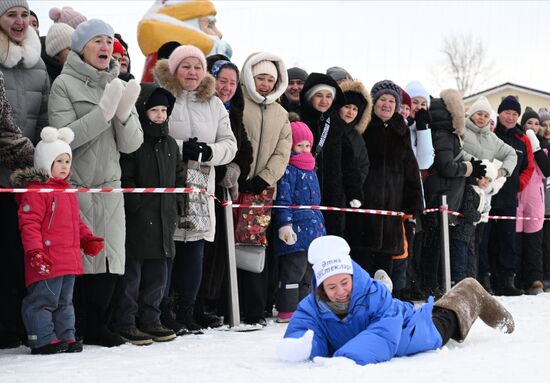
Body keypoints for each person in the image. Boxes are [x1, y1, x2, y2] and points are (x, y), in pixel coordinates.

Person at [48, 18, 144, 347]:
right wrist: (102, 113)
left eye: (108, 41)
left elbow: (132, 145)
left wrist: (122, 113)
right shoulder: (63, 85)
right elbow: (63, 139)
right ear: (80, 47)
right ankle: (78, 324)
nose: (106, 47)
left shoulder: (115, 82)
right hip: (77, 185)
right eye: (97, 41)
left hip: (110, 187)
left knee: (109, 258)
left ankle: (100, 324)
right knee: (80, 259)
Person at [277, 236, 515, 366]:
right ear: (320, 288)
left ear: (353, 277)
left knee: (445, 317)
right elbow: (305, 331)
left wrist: (345, 359)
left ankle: (470, 291)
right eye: (331, 287)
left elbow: (382, 336)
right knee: (395, 304)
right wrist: (302, 346)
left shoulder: (370, 294)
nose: (340, 291)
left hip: (412, 331)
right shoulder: (311, 306)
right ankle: (389, 287)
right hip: (392, 312)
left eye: (345, 283)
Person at [154, 45, 237, 331]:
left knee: (195, 249)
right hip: (168, 181)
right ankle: (163, 310)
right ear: (175, 69)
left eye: (197, 67)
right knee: (168, 249)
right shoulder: (163, 95)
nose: (192, 72)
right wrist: (180, 148)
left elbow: (230, 144)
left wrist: (207, 151)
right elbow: (150, 134)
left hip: (201, 185)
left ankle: (187, 309)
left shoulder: (213, 103)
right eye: (186, 66)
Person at [11, 127, 104, 354]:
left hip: (68, 260)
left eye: (67, 161)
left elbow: (75, 222)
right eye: (59, 161)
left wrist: (87, 238)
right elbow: (29, 225)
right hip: (46, 260)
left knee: (65, 302)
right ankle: (41, 338)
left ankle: (66, 336)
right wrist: (35, 252)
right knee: (43, 300)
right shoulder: (36, 191)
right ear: (45, 162)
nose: (64, 166)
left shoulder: (67, 191)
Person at [111, 83, 183, 345]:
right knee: (133, 274)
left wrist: (178, 207)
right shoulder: (135, 141)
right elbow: (126, 177)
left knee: (158, 275)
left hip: (165, 218)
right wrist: (136, 205)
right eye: (155, 110)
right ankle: (127, 321)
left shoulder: (171, 144)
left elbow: (179, 176)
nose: (160, 115)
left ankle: (151, 319)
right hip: (140, 219)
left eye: (164, 110)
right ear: (143, 110)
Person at [0, 0, 50, 349]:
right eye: (10, 14)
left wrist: (47, 156)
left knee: (23, 251)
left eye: (23, 14)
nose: (19, 21)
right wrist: (28, 154)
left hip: (29, 178)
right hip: (5, 174)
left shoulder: (38, 65)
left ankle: (18, 325)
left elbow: (47, 121)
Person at [192, 54, 253, 329]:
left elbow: (244, 148)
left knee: (216, 249)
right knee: (197, 245)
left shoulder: (235, 112)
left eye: (232, 82)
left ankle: (207, 302)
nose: (227, 87)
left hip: (222, 188)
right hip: (199, 182)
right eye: (222, 80)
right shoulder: (200, 105)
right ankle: (190, 304)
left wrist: (237, 168)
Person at [347, 80, 423, 278]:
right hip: (363, 212)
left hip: (391, 214)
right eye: (382, 99)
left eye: (391, 100)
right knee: (362, 269)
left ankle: (382, 307)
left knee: (385, 273)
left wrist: (414, 202)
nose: (387, 104)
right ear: (374, 102)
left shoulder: (401, 130)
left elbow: (411, 169)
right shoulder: (363, 126)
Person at [238, 52, 292, 326]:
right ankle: (227, 305)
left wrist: (264, 179)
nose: (265, 84)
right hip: (234, 185)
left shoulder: (281, 113)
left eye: (270, 79)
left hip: (262, 189)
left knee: (254, 248)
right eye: (260, 77)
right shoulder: (239, 103)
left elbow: (283, 152)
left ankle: (254, 309)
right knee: (226, 247)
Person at [421, 89, 486, 298]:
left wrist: (473, 170)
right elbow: (446, 166)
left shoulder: (447, 134)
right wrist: (468, 168)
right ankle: (429, 285)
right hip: (441, 196)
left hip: (448, 197)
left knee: (439, 247)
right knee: (433, 247)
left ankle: (434, 284)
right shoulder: (443, 134)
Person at [461, 96, 516, 289]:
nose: (482, 118)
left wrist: (499, 172)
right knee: (462, 240)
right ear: (472, 114)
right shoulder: (462, 130)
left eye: (485, 115)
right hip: (464, 190)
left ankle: (475, 281)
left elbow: (511, 154)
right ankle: (461, 280)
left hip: (484, 197)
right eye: (479, 114)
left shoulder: (493, 138)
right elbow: (458, 152)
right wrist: (480, 166)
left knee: (478, 242)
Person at [274, 121, 326, 323]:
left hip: (313, 230)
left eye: (307, 146)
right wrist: (284, 224)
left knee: (308, 273)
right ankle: (287, 309)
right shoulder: (288, 170)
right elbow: (284, 199)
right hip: (295, 230)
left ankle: (305, 308)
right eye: (299, 146)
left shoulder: (312, 169)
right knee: (292, 271)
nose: (304, 150)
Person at [483, 96, 535, 296]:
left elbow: (528, 167)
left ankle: (506, 281)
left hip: (508, 197)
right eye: (507, 113)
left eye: (515, 114)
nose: (511, 117)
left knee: (507, 240)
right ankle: (485, 279)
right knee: (485, 239)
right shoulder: (491, 133)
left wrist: (518, 185)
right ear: (499, 113)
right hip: (487, 195)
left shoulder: (523, 139)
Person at [516, 107, 550, 295]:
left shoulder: (544, 146)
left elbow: (546, 169)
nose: (534, 127)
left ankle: (534, 278)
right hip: (517, 196)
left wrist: (536, 145)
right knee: (516, 240)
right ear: (523, 125)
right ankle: (517, 277)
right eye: (530, 123)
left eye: (537, 124)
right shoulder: (519, 141)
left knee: (534, 241)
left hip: (536, 197)